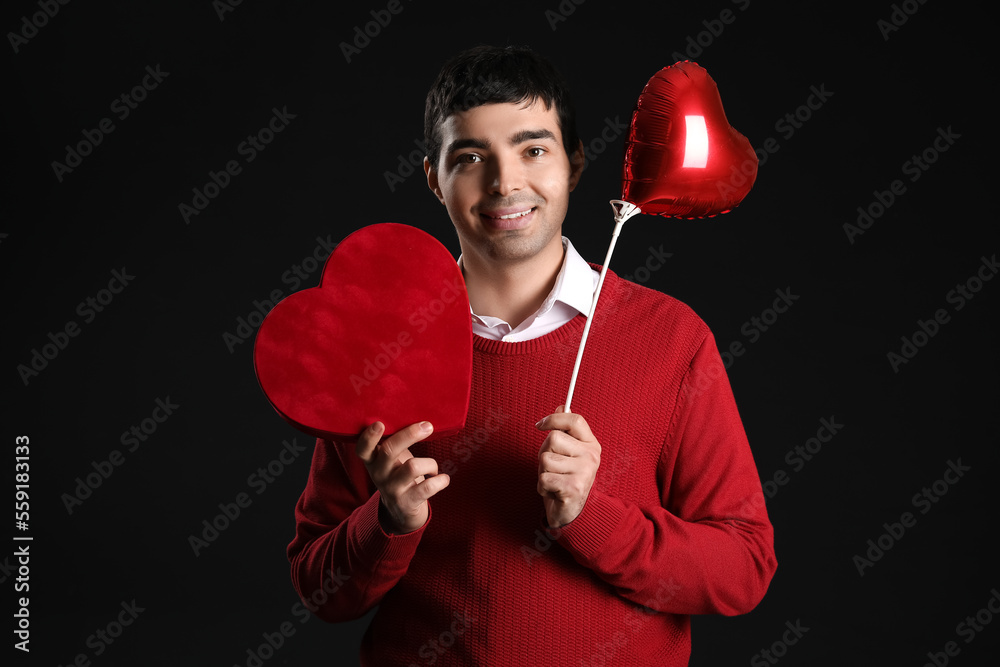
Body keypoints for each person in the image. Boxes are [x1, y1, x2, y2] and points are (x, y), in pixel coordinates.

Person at [287, 44, 776, 666]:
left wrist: (592, 517)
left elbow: (743, 570)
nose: (505, 182)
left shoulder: (671, 338)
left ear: (573, 164)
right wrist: (388, 521)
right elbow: (318, 587)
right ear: (434, 179)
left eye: (533, 149)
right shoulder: (381, 344)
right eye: (470, 157)